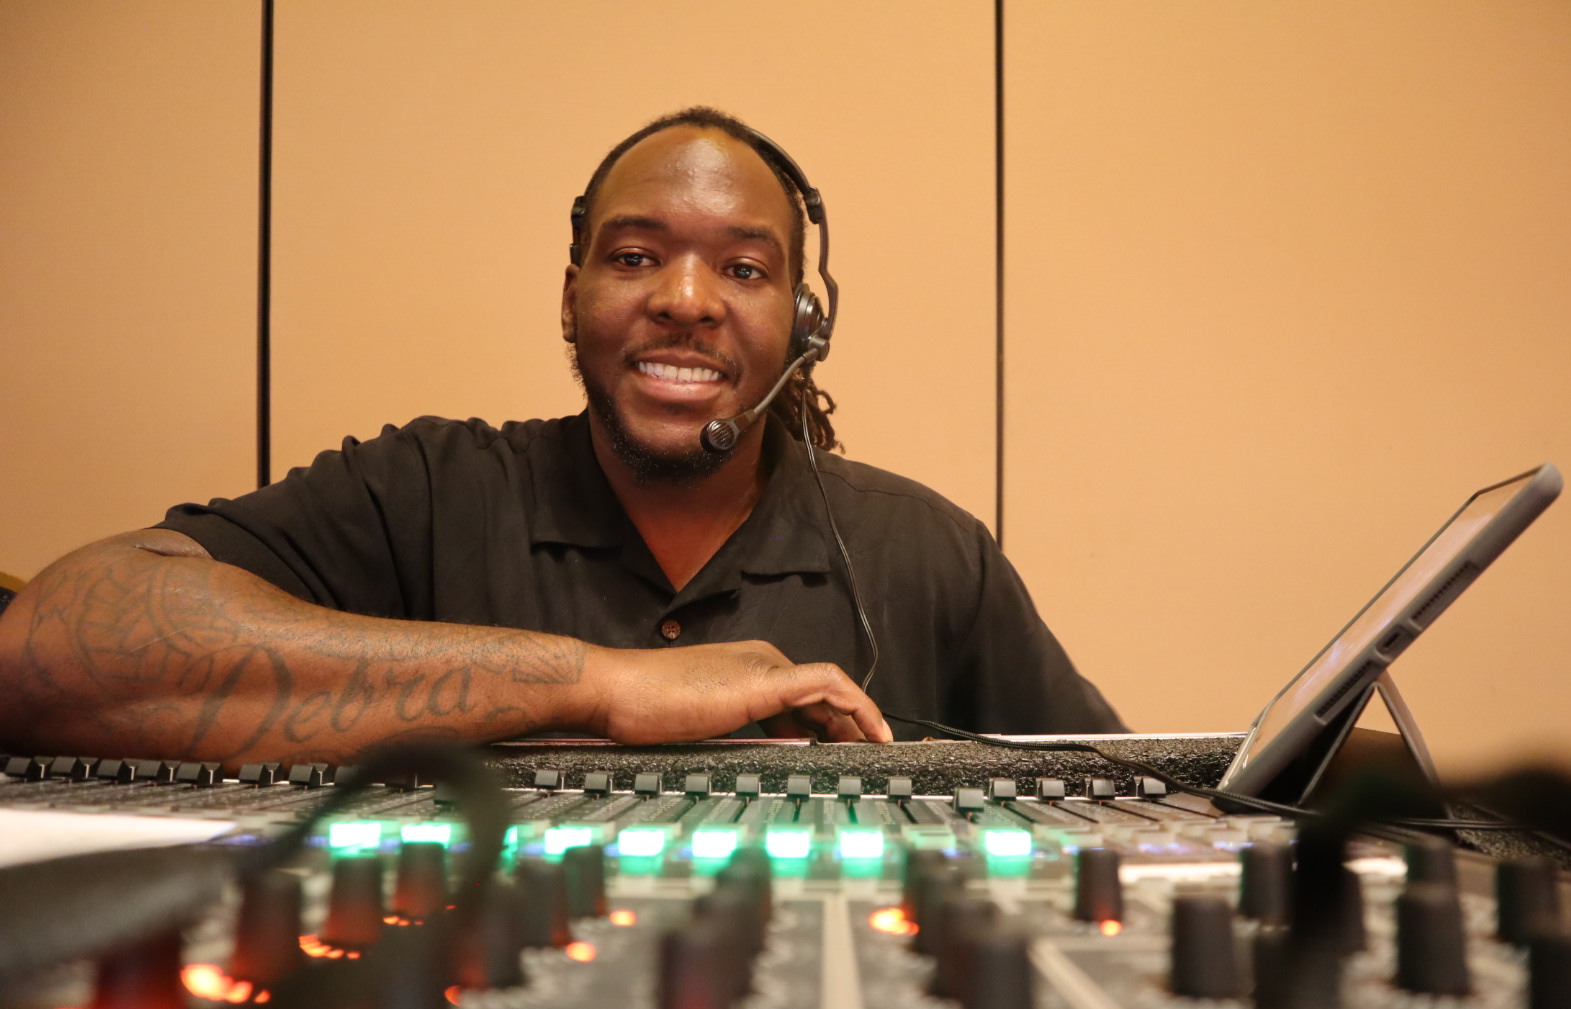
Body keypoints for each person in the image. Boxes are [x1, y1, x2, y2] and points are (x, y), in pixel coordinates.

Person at [0, 108, 1121, 770]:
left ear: (803, 323)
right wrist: (597, 684)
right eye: (635, 257)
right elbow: (46, 650)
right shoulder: (423, 490)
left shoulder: (929, 551)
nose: (686, 300)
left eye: (743, 268)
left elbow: (1122, 801)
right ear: (573, 293)